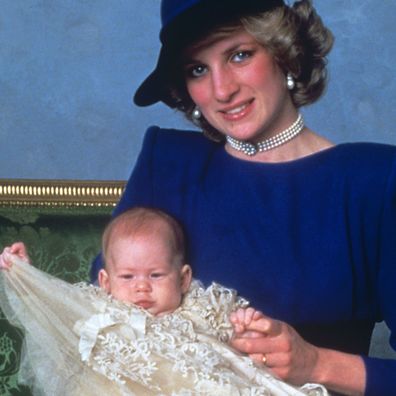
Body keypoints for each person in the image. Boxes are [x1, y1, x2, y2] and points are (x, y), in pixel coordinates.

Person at [89, 0, 396, 395]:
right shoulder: (165, 164)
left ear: (285, 53)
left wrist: (317, 364)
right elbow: (100, 325)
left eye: (239, 55)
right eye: (197, 69)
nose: (222, 90)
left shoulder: (373, 181)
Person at [0, 207, 328, 395]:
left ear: (183, 278)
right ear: (106, 281)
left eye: (156, 276)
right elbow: (54, 305)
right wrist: (25, 274)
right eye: (128, 277)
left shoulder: (199, 304)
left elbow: (239, 331)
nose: (142, 288)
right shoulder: (100, 307)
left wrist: (248, 327)